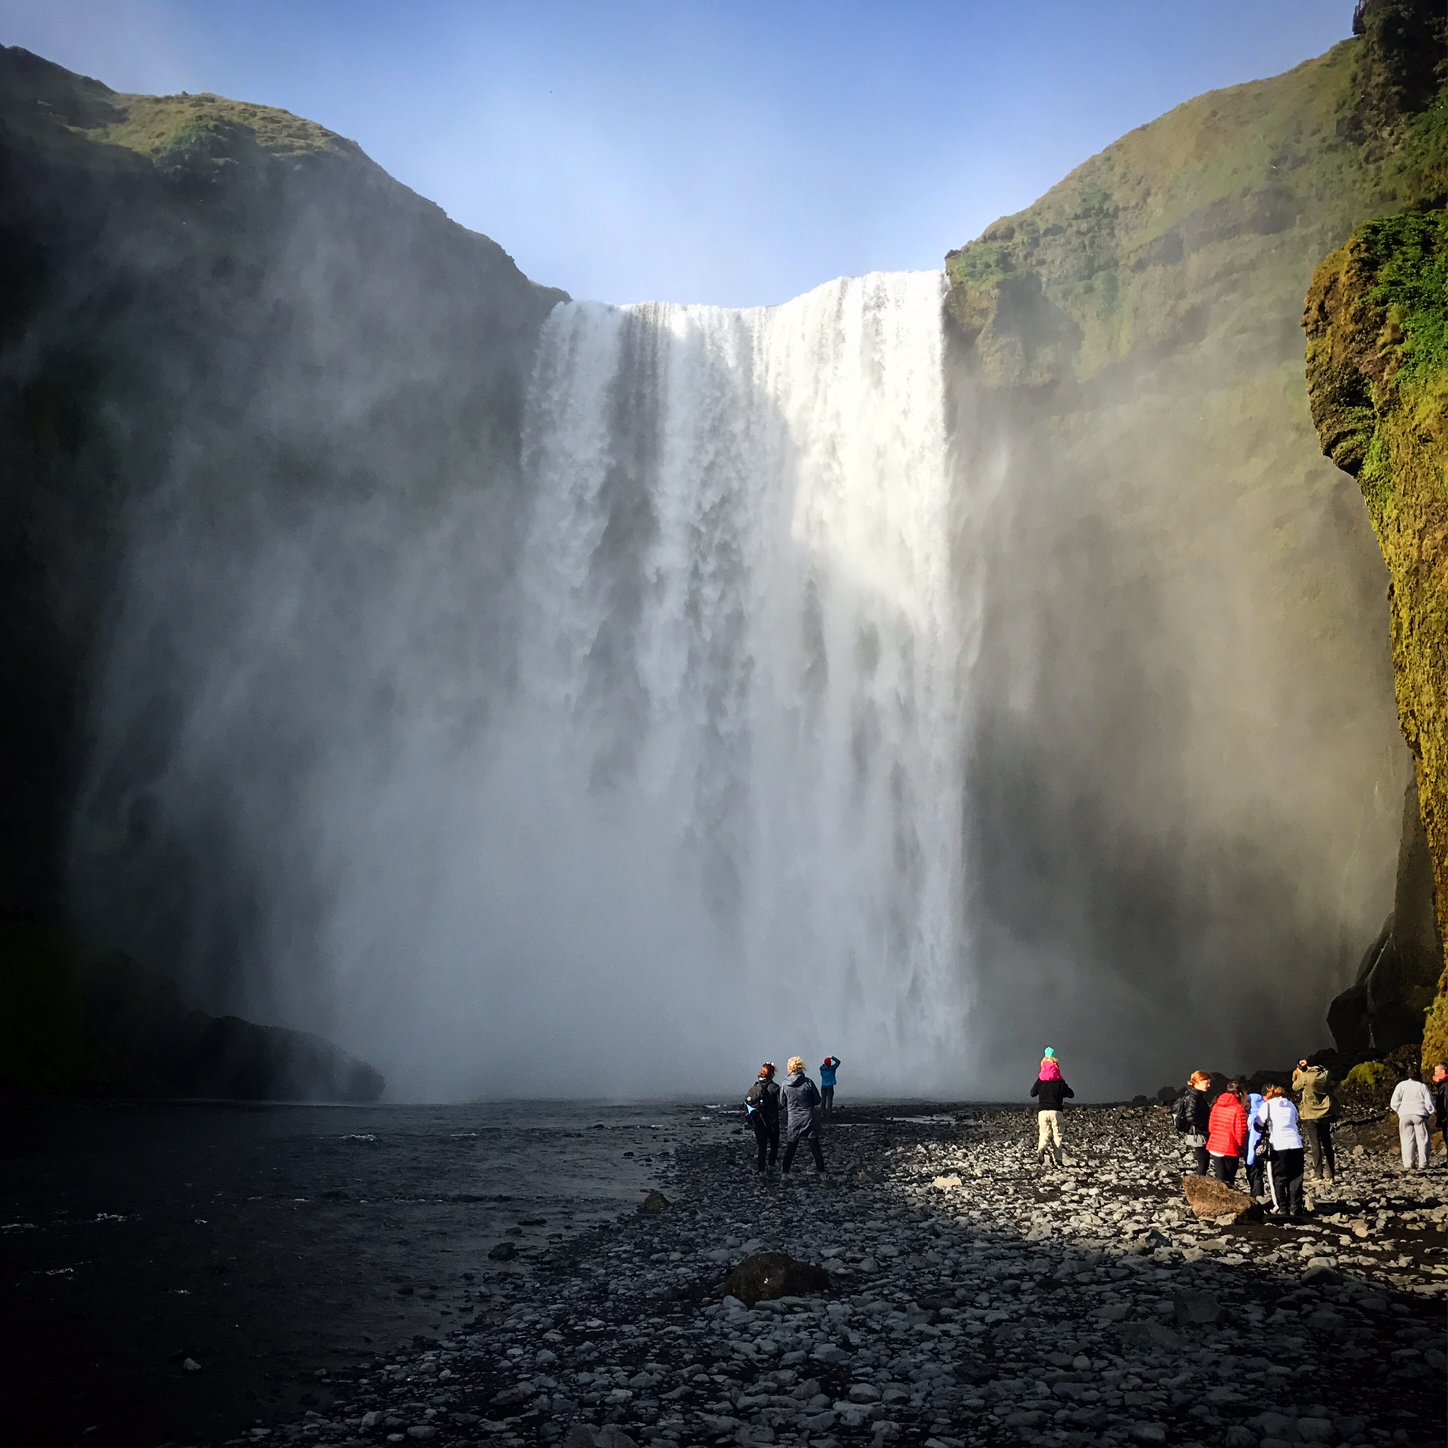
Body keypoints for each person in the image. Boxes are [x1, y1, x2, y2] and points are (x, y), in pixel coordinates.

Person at [1254, 1084, 1306, 1220]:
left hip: (1278, 1145)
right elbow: (1296, 1120)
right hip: (1296, 1144)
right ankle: (1296, 1207)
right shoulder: (1290, 1105)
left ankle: (1283, 1208)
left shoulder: (1268, 1106)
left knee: (1279, 1178)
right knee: (1295, 1177)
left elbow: (1258, 1124)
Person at [1293, 1056, 1336, 1184]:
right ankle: (1331, 1174)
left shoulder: (1305, 1077)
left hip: (1311, 1114)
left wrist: (1301, 1072)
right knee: (1327, 1143)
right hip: (1325, 1112)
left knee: (1315, 1144)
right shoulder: (1325, 1075)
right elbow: (1326, 1072)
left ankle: (1318, 1173)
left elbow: (1295, 1087)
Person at [779, 1056, 825, 1176]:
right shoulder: (808, 1082)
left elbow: (782, 1103)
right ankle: (823, 1175)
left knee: (791, 1149)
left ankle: (784, 1175)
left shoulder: (784, 1084)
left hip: (794, 1119)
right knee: (815, 1148)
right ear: (801, 1067)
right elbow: (817, 1100)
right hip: (808, 1118)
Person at [1030, 1051, 1074, 1168]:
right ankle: (1058, 1159)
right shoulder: (1059, 1082)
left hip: (1042, 1111)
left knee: (1044, 1133)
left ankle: (1041, 1149)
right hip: (1056, 1111)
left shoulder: (1040, 1080)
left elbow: (1032, 1093)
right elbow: (1071, 1094)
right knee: (1057, 1135)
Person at [1390, 1062, 1436, 1171]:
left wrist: (1400, 1111)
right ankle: (1423, 1163)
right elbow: (1429, 1103)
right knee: (1422, 1139)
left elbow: (1394, 1102)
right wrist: (1430, 1112)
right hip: (1420, 1114)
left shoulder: (1401, 1085)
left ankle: (1408, 1163)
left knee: (1406, 1139)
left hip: (1405, 1114)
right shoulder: (1422, 1086)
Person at [1206, 1079, 1247, 1186]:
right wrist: (1241, 1146)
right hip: (1229, 1147)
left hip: (1214, 1145)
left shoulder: (1216, 1105)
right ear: (1240, 1093)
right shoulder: (1238, 1109)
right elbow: (1240, 1132)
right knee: (1229, 1180)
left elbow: (1211, 1127)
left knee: (1220, 1179)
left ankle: (1217, 1200)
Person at [744, 1062, 781, 1172]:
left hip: (759, 1121)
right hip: (772, 1121)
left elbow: (747, 1101)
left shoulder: (755, 1087)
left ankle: (761, 1172)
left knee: (762, 1148)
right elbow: (780, 1105)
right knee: (774, 1146)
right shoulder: (775, 1087)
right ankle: (771, 1166)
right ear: (772, 1074)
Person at [1174, 1071, 1213, 1175]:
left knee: (1203, 1163)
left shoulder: (1194, 1095)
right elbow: (1191, 1117)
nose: (1209, 1085)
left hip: (1197, 1133)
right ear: (1198, 1081)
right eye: (1206, 1082)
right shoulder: (1194, 1097)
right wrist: (1206, 1125)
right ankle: (1197, 1187)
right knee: (1203, 1163)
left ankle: (1198, 1186)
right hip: (1198, 1134)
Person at [1244, 1088, 1267, 1199]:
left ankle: (1257, 1195)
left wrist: (1249, 1157)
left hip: (1253, 1149)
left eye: (1248, 1101)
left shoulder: (1254, 1117)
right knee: (1258, 1171)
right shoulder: (1262, 1114)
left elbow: (1254, 1137)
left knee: (1255, 1171)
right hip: (1262, 1147)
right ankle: (1258, 1194)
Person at [1432, 1063, 1448, 1161]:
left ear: (1442, 1072)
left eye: (1436, 1071)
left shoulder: (1445, 1086)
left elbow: (1445, 1103)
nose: (1434, 1074)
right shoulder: (1443, 1085)